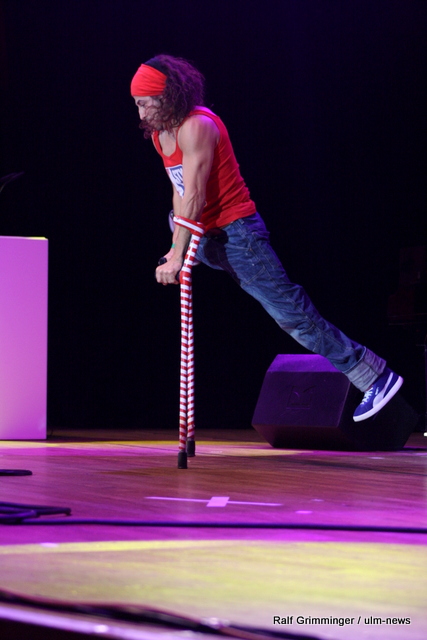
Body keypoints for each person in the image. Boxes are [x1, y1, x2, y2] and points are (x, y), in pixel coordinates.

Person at [130, 54, 403, 422]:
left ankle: (375, 377)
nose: (141, 113)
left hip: (238, 236)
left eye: (145, 103)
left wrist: (180, 254)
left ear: (168, 96)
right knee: (171, 218)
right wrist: (176, 248)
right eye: (137, 104)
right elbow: (179, 193)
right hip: (207, 235)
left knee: (293, 317)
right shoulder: (161, 135)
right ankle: (191, 247)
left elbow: (195, 195)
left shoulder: (197, 126)